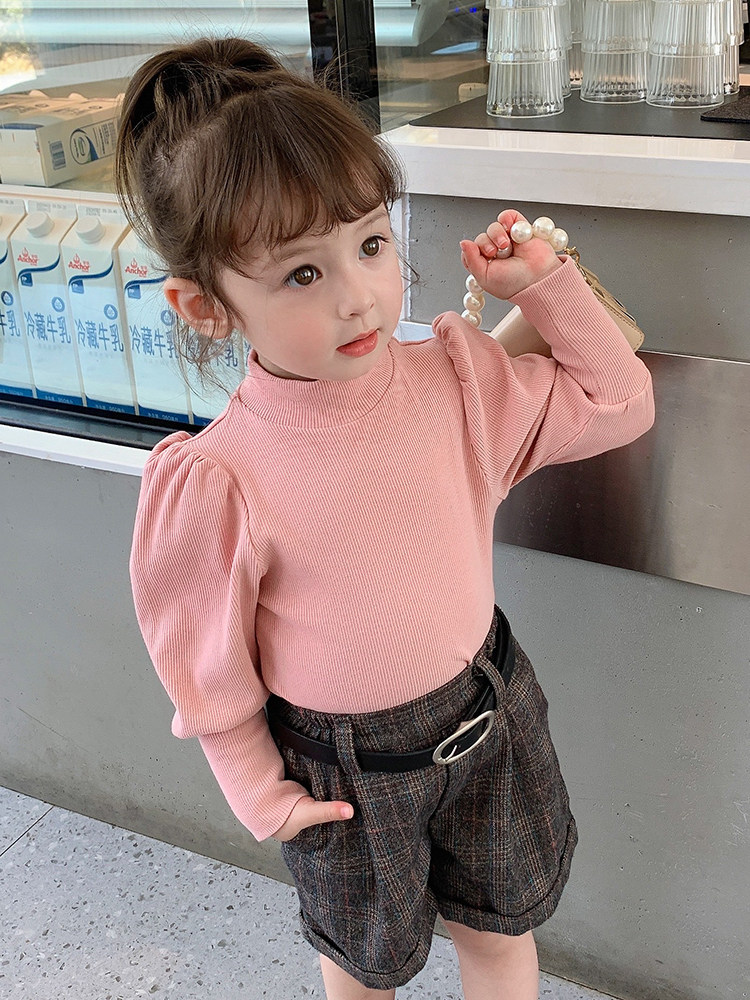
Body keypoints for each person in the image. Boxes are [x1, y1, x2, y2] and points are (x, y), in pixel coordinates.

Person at [120, 37, 654, 1000]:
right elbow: (205, 663)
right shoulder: (221, 478)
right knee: (364, 971)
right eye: (302, 274)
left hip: (486, 719)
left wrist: (545, 286)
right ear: (205, 307)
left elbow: (621, 402)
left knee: (499, 939)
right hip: (342, 775)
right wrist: (259, 791)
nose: (360, 296)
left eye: (370, 244)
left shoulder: (457, 381)